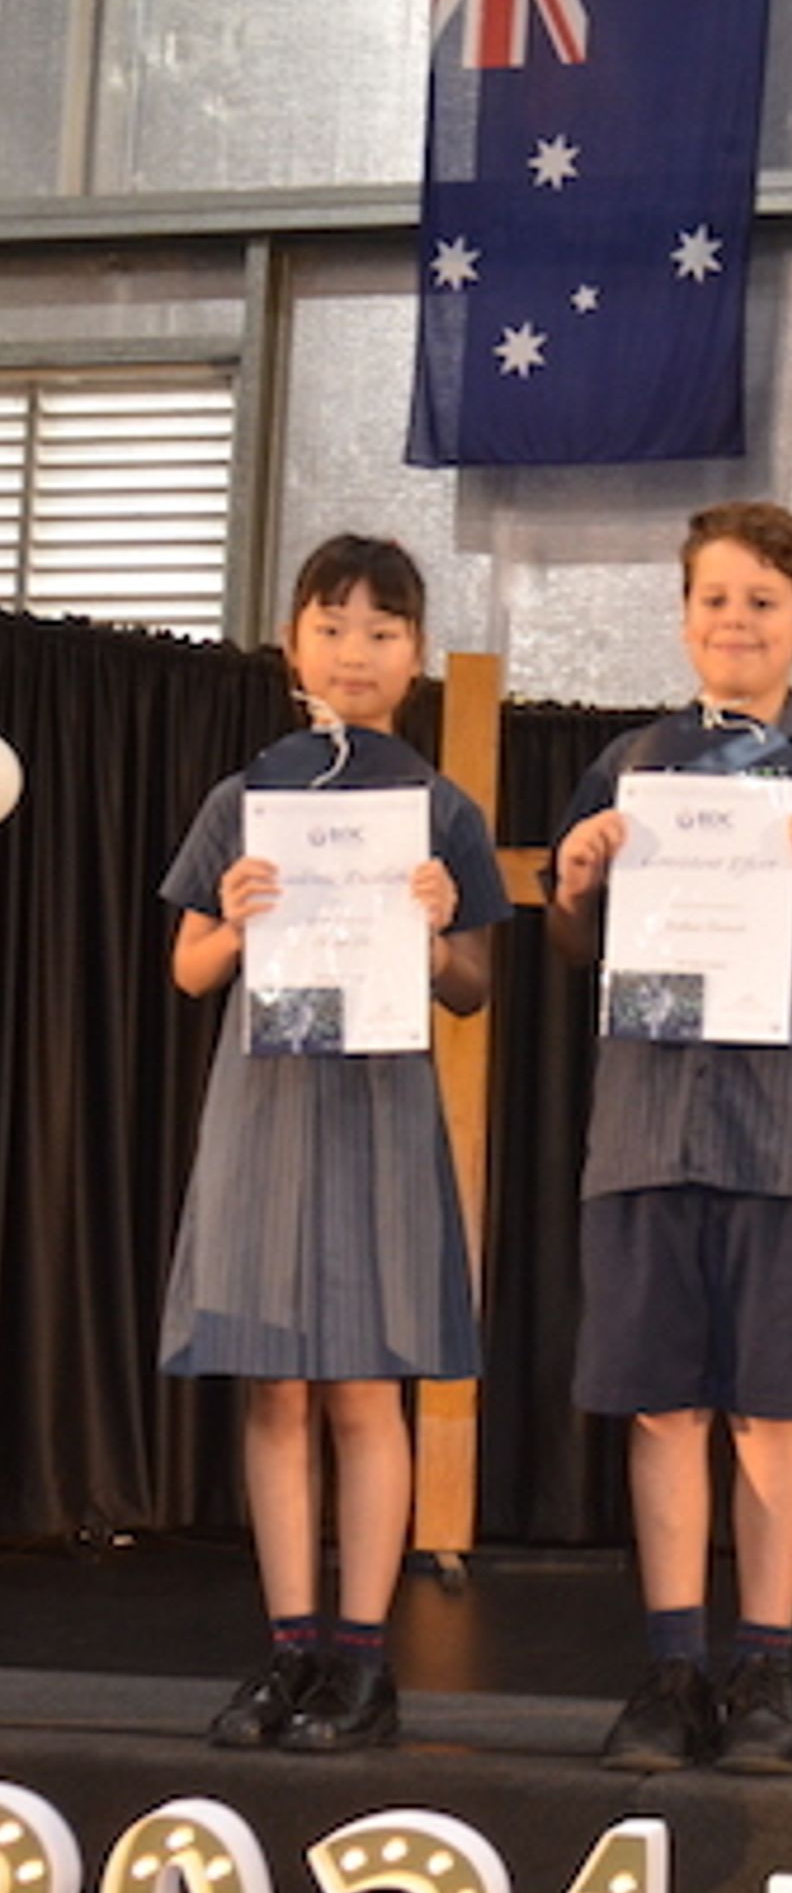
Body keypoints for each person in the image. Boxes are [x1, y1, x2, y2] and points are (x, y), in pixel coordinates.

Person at [547, 501, 792, 1776]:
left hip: (790, 1136)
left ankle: (764, 1670)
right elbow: (573, 946)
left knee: (775, 1411)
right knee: (662, 1410)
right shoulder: (629, 766)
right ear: (683, 617)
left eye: (764, 603)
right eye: (714, 598)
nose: (736, 621)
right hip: (648, 1128)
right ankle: (671, 1669)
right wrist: (576, 886)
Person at [163, 534, 510, 1752]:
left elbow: (472, 985)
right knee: (275, 1388)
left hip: (377, 1110)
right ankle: (290, 1646)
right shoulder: (245, 798)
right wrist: (235, 922)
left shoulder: (442, 808)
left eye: (381, 630)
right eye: (331, 625)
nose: (354, 650)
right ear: (290, 645)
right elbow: (189, 967)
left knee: (368, 1384)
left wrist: (435, 937)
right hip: (266, 1108)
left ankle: (364, 1658)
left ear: (416, 655)